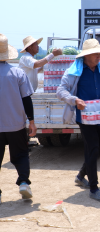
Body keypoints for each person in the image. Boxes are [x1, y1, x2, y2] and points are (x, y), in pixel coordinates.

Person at [57, 39, 100, 202]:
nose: (99, 56)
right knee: (93, 149)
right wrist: (75, 100)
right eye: (96, 53)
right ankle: (94, 189)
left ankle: (81, 175)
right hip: (86, 118)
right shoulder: (74, 71)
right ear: (87, 55)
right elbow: (61, 90)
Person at [0, 34, 37, 203]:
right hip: (15, 124)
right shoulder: (17, 72)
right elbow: (26, 99)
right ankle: (23, 182)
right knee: (21, 154)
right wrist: (31, 121)